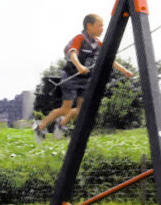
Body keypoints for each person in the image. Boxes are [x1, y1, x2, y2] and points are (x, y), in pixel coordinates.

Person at [33, 14, 133, 143]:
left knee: (81, 109)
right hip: (71, 77)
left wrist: (124, 71)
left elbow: (110, 59)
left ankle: (61, 124)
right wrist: (79, 66)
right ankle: (40, 127)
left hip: (86, 79)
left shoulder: (98, 43)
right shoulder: (79, 38)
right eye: (100, 26)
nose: (102, 29)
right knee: (66, 108)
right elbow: (72, 53)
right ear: (89, 26)